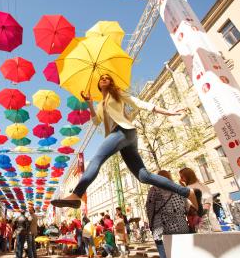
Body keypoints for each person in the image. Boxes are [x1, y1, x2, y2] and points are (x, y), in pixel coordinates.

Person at [51, 74, 203, 215]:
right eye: (101, 78)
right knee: (144, 176)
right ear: (98, 84)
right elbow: (96, 121)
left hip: (123, 131)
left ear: (110, 82)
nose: (104, 79)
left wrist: (168, 112)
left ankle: (77, 194)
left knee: (97, 158)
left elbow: (139, 103)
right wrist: (89, 104)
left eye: (107, 78)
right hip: (124, 137)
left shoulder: (117, 93)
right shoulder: (100, 104)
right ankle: (187, 192)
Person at [146, 170, 190, 258]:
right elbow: (186, 208)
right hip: (181, 229)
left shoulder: (154, 190)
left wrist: (151, 226)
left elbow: (150, 210)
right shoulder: (178, 189)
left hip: (161, 229)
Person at [179, 168, 221, 233]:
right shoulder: (203, 186)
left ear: (187, 177)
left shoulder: (189, 189)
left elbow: (193, 208)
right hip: (213, 224)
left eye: (182, 177)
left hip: (203, 227)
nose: (181, 179)